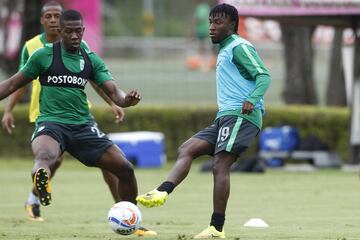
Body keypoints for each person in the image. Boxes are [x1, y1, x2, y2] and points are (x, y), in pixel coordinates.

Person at [0, 9, 156, 237]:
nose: (74, 36)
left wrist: (126, 101)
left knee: (125, 168)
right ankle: (41, 184)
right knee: (46, 156)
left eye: (78, 31)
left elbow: (113, 91)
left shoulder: (90, 59)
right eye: (69, 31)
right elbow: (13, 83)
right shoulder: (43, 55)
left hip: (84, 126)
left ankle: (131, 219)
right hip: (52, 123)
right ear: (60, 31)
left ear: (83, 31)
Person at [137, 3, 271, 239]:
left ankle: (216, 228)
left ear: (232, 24)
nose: (211, 27)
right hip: (225, 117)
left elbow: (263, 76)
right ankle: (162, 191)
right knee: (187, 149)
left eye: (217, 22)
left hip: (243, 115)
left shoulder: (240, 47)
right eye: (210, 22)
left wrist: (253, 99)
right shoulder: (225, 49)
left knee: (220, 165)